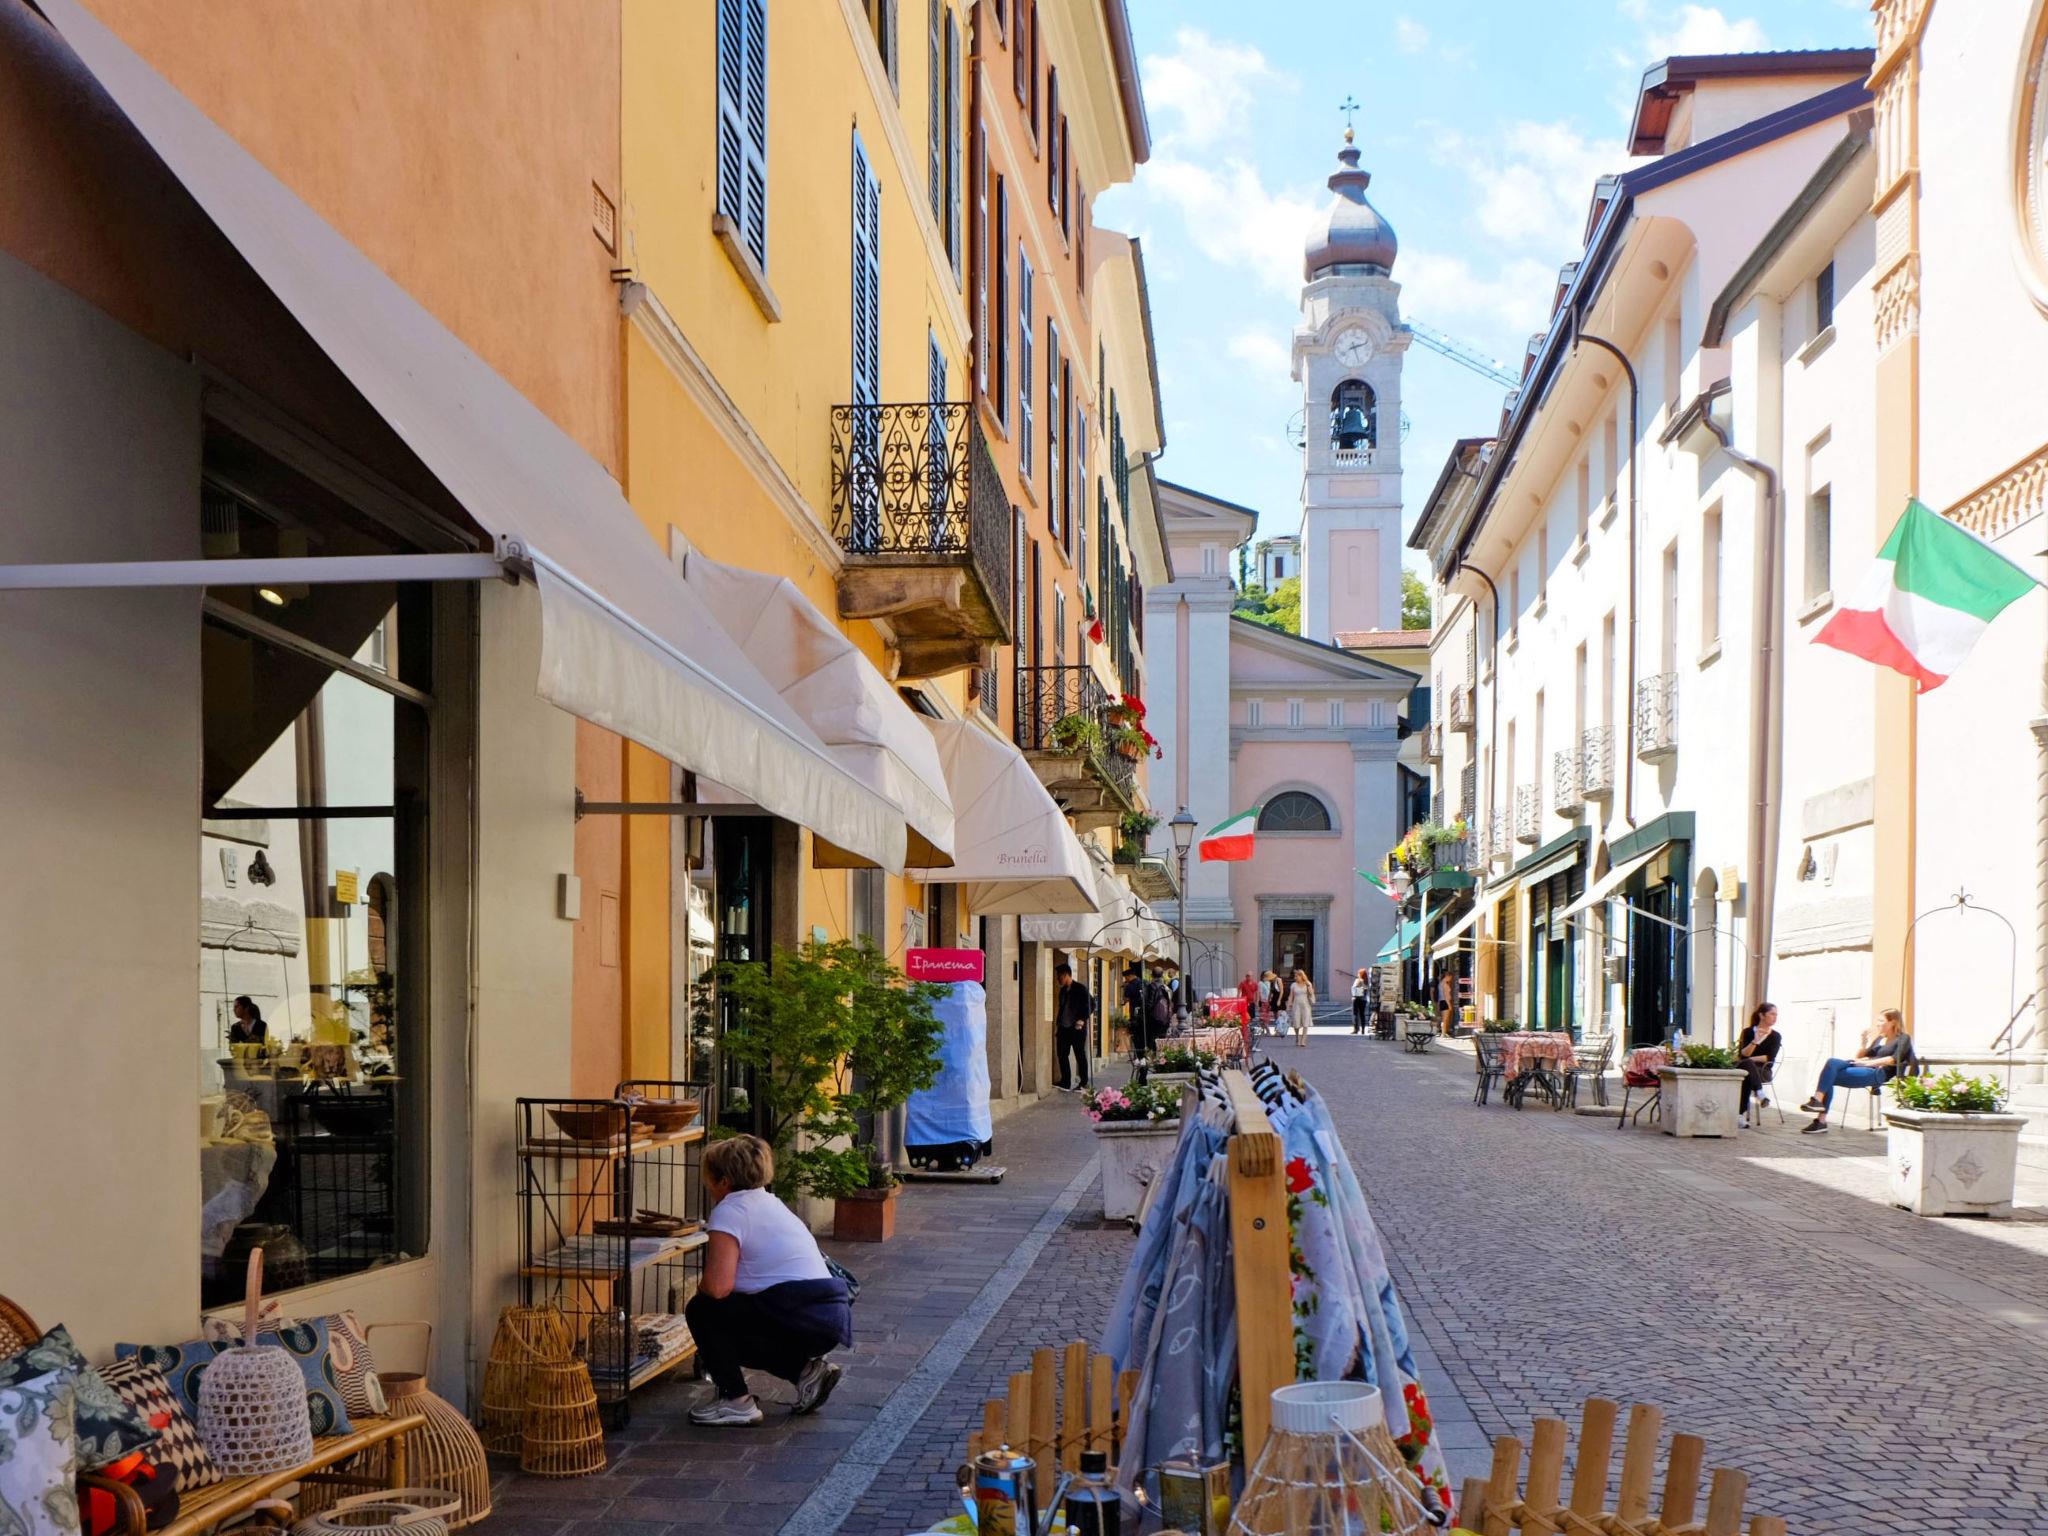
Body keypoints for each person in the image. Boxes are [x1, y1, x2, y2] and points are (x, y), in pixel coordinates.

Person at [684, 1135, 850, 1426]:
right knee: (734, 1324)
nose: (706, 1184)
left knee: (702, 1310)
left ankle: (736, 1401)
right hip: (826, 1315)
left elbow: (717, 1288)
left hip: (799, 1313)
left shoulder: (730, 1211)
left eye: (709, 1177)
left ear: (723, 1181)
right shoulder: (770, 1202)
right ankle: (806, 1373)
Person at [1799, 1008, 1913, 1134]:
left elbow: (1893, 1059)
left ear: (1893, 1022)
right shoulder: (1880, 1039)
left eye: (1881, 1021)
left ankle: (1819, 1115)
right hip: (1863, 1067)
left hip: (1877, 1073)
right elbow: (1860, 1056)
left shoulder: (1903, 1038)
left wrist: (1867, 1063)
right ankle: (1818, 1106)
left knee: (1829, 1076)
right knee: (1831, 1065)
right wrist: (1863, 1042)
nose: (1877, 1024)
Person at [1735, 1002, 1782, 1126]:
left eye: (1776, 1015)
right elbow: (1743, 1054)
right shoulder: (1747, 1032)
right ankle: (1760, 1094)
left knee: (1747, 1070)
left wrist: (1750, 1059)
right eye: (1772, 1014)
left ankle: (1740, 1116)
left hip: (1764, 1071)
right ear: (1762, 1015)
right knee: (1747, 1071)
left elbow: (1769, 1057)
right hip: (1746, 1068)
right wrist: (1755, 1041)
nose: (1775, 1017)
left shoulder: (1775, 1036)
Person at [1053, 961, 1093, 1092]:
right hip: (1064, 1028)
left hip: (1076, 1029)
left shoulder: (1080, 988)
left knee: (1080, 1055)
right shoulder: (1063, 991)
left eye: (1059, 976)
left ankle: (1084, 1083)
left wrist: (1082, 1018)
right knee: (1062, 1054)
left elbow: (1092, 1004)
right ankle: (1065, 1081)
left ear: (1066, 975)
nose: (1058, 979)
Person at [1122, 965, 1149, 1060]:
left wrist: (1125, 988)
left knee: (1136, 1037)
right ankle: (1145, 1056)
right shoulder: (1144, 982)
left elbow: (1125, 999)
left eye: (1126, 977)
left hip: (1135, 1015)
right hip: (1145, 1015)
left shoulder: (1130, 985)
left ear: (1130, 976)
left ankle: (1139, 1057)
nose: (1126, 979)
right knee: (1144, 1037)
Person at [1287, 968, 1316, 1048]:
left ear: (1301, 976)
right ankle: (1297, 1037)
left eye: (1297, 976)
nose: (1295, 978)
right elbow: (1291, 996)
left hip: (1305, 1005)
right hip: (1296, 1005)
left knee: (1305, 1022)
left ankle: (1303, 1040)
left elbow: (1311, 993)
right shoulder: (1293, 985)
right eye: (1295, 976)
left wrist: (1309, 987)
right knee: (1296, 1023)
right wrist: (1289, 1004)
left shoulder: (1307, 983)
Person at [1436, 966, 1458, 1036]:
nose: (1451, 979)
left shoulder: (1440, 983)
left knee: (1443, 1018)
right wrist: (1449, 1005)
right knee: (1445, 1019)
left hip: (1441, 1001)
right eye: (1450, 977)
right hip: (1445, 1002)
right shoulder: (1445, 984)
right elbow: (1446, 995)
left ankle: (1443, 1032)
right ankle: (1443, 1033)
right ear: (1447, 976)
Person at [1350, 969, 1369, 1034]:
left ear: (1360, 974)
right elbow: (1367, 990)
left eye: (1358, 973)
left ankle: (1356, 1029)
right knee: (1362, 1014)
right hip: (1363, 1000)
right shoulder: (1366, 981)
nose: (1357, 974)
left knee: (1355, 1014)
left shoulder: (1357, 980)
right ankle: (1363, 1029)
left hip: (1356, 999)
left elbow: (1353, 988)